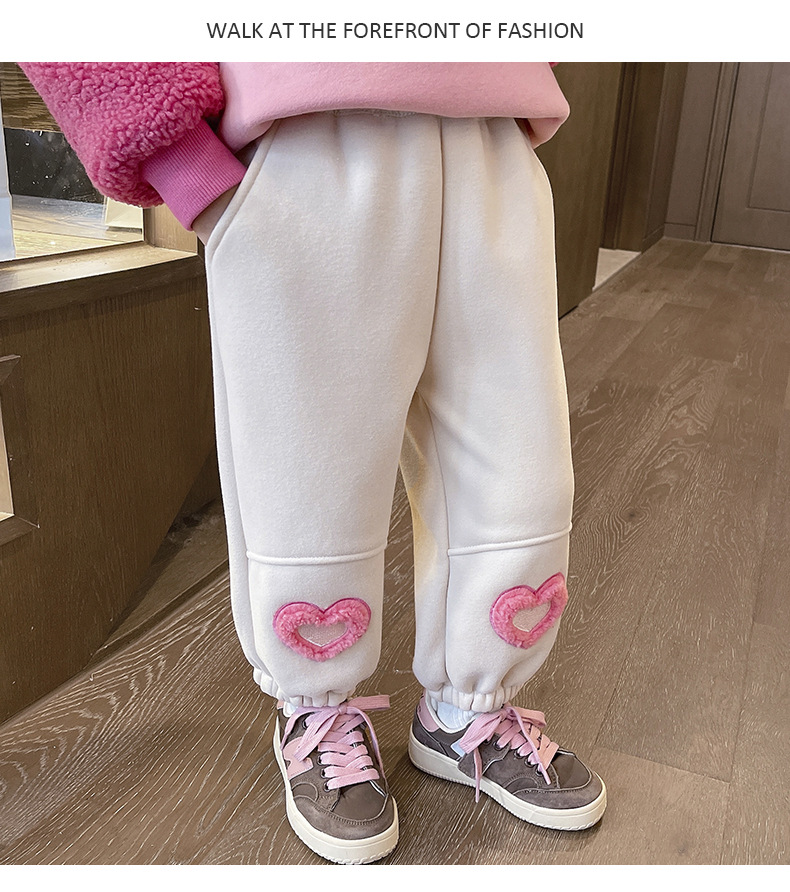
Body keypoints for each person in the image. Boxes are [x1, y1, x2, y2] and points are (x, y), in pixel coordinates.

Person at [20, 62, 607, 864]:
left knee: (521, 465)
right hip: (305, 139)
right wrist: (181, 164)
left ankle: (466, 711)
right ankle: (315, 709)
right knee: (309, 475)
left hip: (490, 140)